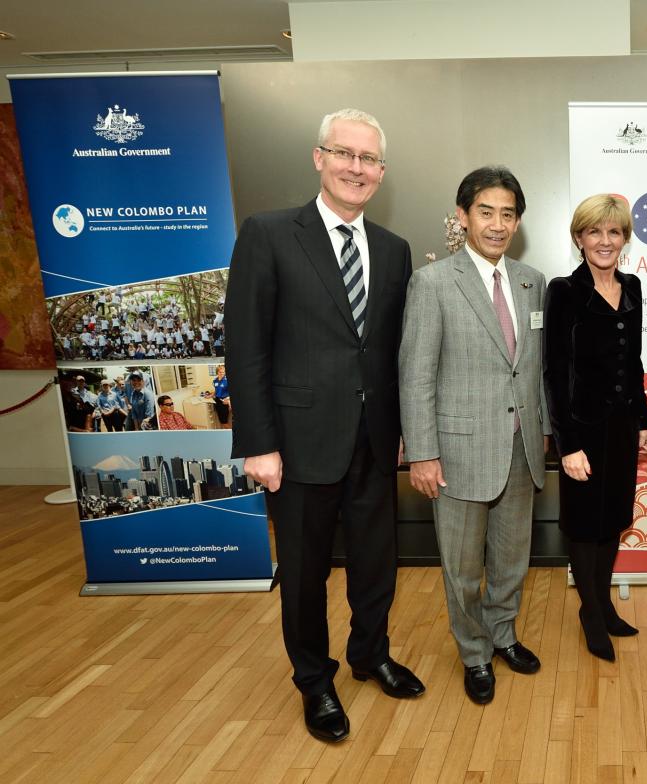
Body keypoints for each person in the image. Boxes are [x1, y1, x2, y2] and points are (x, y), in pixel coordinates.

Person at [224, 107, 422, 745]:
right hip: (298, 444)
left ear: (381, 172)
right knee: (305, 575)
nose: (355, 168)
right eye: (345, 154)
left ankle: (370, 654)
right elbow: (245, 346)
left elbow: (390, 352)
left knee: (376, 565)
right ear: (319, 157)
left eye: (368, 160)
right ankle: (315, 680)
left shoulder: (393, 250)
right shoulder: (270, 233)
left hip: (372, 440)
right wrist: (258, 443)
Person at [400, 166, 549, 705]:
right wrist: (422, 453)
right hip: (459, 450)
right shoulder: (433, 282)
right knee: (462, 568)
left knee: (511, 559)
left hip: (520, 447)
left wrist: (545, 431)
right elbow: (416, 373)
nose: (497, 224)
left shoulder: (533, 281)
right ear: (462, 217)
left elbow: (534, 369)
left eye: (508, 214)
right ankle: (473, 652)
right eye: (486, 212)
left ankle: (503, 634)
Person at [542, 195, 647, 661]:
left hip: (624, 428)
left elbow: (635, 362)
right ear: (579, 239)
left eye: (614, 232)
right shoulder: (565, 290)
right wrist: (567, 443)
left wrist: (644, 420)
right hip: (583, 431)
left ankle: (602, 604)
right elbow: (554, 370)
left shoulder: (633, 286)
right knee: (584, 525)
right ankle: (590, 612)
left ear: (625, 239)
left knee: (612, 521)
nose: (605, 241)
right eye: (595, 232)